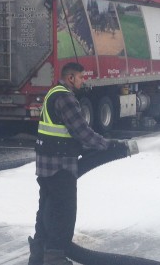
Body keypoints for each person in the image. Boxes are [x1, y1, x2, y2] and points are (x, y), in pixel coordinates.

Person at [28, 62, 128, 265]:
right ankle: (55, 256)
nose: (84, 80)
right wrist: (107, 145)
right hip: (60, 166)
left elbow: (65, 132)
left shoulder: (52, 93)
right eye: (81, 77)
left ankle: (38, 255)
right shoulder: (65, 97)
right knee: (63, 212)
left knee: (46, 210)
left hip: (46, 165)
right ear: (71, 78)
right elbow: (82, 132)